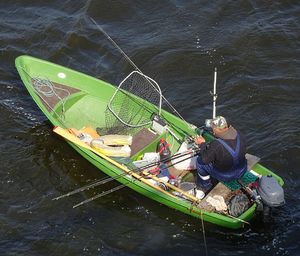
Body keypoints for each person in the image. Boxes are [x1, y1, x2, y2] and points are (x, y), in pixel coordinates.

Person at [194, 116, 247, 193]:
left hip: (227, 175)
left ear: (216, 129)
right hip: (242, 169)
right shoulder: (239, 134)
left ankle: (205, 186)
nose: (212, 130)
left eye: (213, 128)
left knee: (200, 162)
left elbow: (204, 159)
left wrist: (202, 144)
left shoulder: (216, 145)